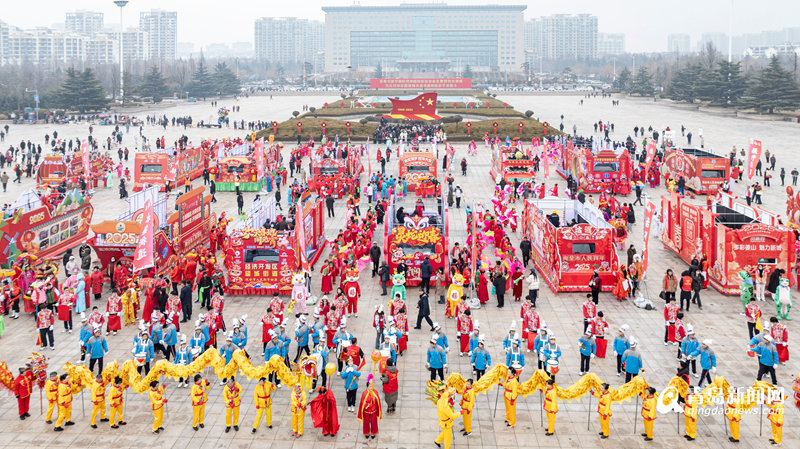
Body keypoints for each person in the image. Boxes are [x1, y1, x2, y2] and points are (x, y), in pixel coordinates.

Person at [357, 375, 382, 439]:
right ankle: (366, 433)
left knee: (374, 422)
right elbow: (363, 402)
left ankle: (373, 433)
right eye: (370, 386)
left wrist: (373, 399)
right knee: (366, 423)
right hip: (367, 411)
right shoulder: (364, 393)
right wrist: (368, 405)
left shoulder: (375, 392)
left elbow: (377, 400)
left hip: (373, 410)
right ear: (367, 386)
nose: (371, 387)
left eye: (372, 386)